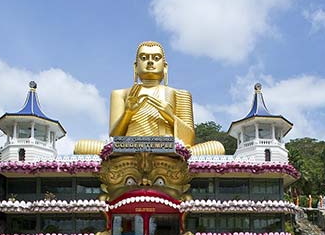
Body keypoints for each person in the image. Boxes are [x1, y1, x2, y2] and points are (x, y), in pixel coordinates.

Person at [74, 41, 224, 156]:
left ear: (165, 67)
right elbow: (114, 137)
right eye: (144, 58)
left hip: (168, 147)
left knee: (217, 147)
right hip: (128, 147)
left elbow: (189, 140)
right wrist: (128, 112)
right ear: (135, 66)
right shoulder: (121, 94)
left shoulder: (179, 94)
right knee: (81, 146)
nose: (150, 62)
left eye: (156, 58)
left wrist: (170, 116)